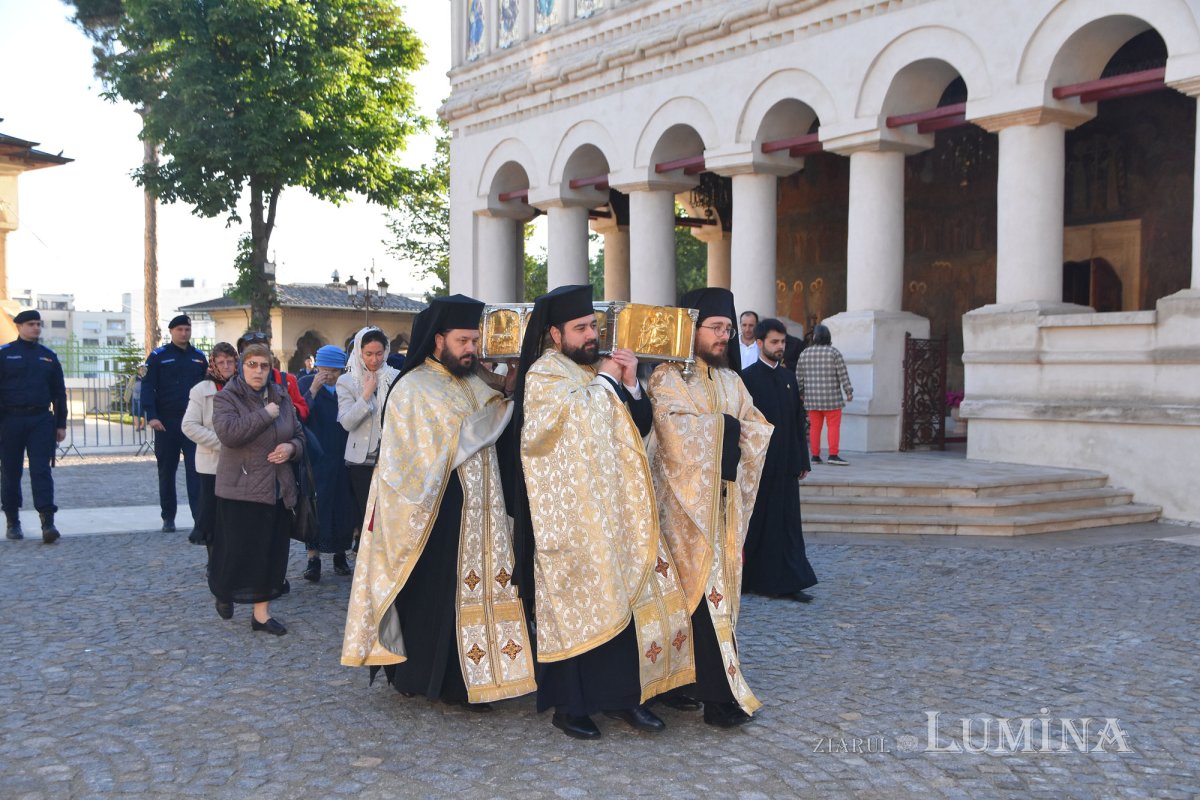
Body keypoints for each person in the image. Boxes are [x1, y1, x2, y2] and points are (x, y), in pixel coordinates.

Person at [512, 284, 694, 740]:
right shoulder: (544, 374)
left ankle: (625, 699)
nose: (591, 335)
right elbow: (553, 435)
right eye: (580, 329)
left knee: (625, 601)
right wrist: (609, 383)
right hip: (568, 521)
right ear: (555, 334)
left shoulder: (594, 371)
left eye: (593, 325)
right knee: (577, 606)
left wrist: (630, 384)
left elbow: (636, 427)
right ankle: (570, 707)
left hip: (616, 515)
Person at [342, 295, 536, 710]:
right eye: (464, 341)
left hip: (482, 513)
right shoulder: (413, 388)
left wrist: (509, 391)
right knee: (435, 596)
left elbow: (497, 429)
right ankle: (438, 679)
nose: (472, 349)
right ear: (437, 341)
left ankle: (482, 674)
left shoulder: (473, 382)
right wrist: (502, 408)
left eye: (475, 340)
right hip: (431, 514)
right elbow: (437, 450)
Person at [647, 287, 773, 728]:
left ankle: (698, 687)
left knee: (718, 599)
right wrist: (725, 428)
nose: (725, 337)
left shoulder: (732, 380)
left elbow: (755, 427)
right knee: (687, 598)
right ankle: (712, 698)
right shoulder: (667, 377)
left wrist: (733, 430)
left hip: (721, 508)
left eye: (729, 330)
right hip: (681, 511)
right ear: (692, 329)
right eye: (716, 329)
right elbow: (673, 432)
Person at [210, 342, 305, 635]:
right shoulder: (228, 397)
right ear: (242, 366)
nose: (258, 371)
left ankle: (261, 615)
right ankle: (223, 591)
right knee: (237, 553)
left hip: (276, 488)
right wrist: (266, 414)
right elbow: (228, 434)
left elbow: (300, 434)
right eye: (252, 365)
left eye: (264, 366)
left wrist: (290, 448)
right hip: (241, 488)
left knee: (270, 553)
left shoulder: (281, 395)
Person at [740, 318, 818, 602]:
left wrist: (802, 459)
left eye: (783, 342)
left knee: (787, 524)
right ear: (759, 343)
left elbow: (798, 421)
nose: (779, 347)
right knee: (761, 523)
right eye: (774, 342)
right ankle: (753, 579)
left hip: (786, 466)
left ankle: (788, 580)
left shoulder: (788, 378)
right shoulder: (747, 378)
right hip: (760, 467)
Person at [0, 310, 67, 543]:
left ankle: (47, 522)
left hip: (40, 420)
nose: (36, 328)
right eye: (31, 324)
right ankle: (12, 522)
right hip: (10, 420)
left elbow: (59, 393)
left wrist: (60, 424)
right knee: (10, 472)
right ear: (18, 326)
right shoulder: (5, 354)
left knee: (41, 471)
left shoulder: (48, 356)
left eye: (38, 324)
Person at [142, 315, 208, 532]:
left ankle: (199, 518)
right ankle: (168, 517)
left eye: (187, 329)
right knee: (167, 471)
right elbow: (148, 387)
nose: (184, 333)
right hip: (166, 422)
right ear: (171, 332)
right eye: (179, 329)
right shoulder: (159, 357)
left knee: (195, 471)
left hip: (193, 421)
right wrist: (152, 415)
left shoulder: (199, 358)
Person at [296, 345, 355, 581]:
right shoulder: (305, 385)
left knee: (342, 506)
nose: (329, 374)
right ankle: (314, 559)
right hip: (317, 456)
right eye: (325, 369)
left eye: (334, 370)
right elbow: (300, 415)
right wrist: (313, 389)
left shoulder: (346, 387)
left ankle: (340, 554)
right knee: (316, 508)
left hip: (343, 455)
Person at [336, 326, 400, 533]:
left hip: (392, 458)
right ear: (359, 352)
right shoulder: (347, 381)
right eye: (369, 354)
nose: (374, 360)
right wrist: (366, 395)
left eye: (379, 353)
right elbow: (347, 422)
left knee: (390, 516)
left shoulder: (395, 377)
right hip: (361, 461)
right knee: (367, 517)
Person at [181, 343, 239, 569]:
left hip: (241, 463)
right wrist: (221, 443)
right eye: (221, 362)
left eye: (230, 361)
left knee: (235, 515)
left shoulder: (244, 387)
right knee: (212, 516)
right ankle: (214, 562)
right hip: (212, 463)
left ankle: (233, 559)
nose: (226, 366)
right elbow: (189, 426)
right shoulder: (201, 390)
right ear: (213, 363)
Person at [796, 323, 853, 466]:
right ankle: (833, 455)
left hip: (812, 399)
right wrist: (848, 391)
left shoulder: (805, 353)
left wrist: (800, 392)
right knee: (833, 427)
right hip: (832, 399)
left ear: (814, 337)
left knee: (815, 427)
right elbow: (842, 374)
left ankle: (815, 456)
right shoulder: (834, 353)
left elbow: (799, 376)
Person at [235, 332, 310, 423]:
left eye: (262, 353)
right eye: (252, 354)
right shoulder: (233, 384)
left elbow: (304, 410)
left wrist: (289, 410)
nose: (258, 359)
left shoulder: (286, 380)